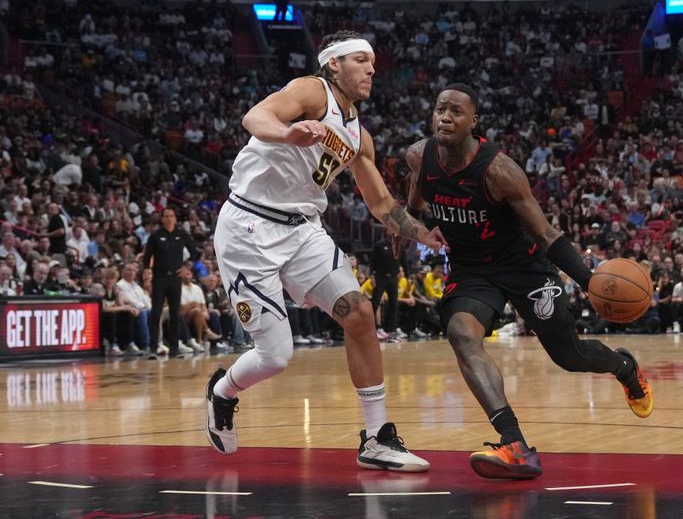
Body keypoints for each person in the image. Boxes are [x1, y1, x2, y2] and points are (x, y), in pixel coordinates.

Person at [206, 30, 446, 472]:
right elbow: (254, 118)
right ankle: (223, 390)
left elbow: (380, 204)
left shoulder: (359, 135)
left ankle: (376, 438)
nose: (371, 69)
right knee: (275, 357)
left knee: (359, 313)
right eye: (360, 60)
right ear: (334, 63)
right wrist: (287, 132)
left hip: (302, 231)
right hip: (249, 226)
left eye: (373, 62)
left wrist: (422, 233)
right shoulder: (310, 90)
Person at [401, 84, 653, 480]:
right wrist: (410, 231)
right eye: (439, 109)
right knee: (462, 335)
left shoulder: (500, 171)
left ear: (474, 122)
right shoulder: (419, 156)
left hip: (525, 267)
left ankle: (624, 366)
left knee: (568, 357)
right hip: (472, 271)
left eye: (456, 111)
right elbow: (416, 204)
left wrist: (588, 279)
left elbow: (546, 235)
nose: (445, 117)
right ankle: (514, 443)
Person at [143, 208, 197, 357]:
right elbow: (147, 257)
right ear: (162, 219)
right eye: (166, 216)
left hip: (175, 278)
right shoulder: (155, 236)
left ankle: (175, 348)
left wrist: (186, 267)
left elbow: (194, 252)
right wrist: (147, 273)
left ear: (175, 218)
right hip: (159, 278)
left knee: (175, 314)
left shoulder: (181, 234)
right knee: (156, 313)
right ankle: (153, 348)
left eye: (171, 216)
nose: (168, 218)